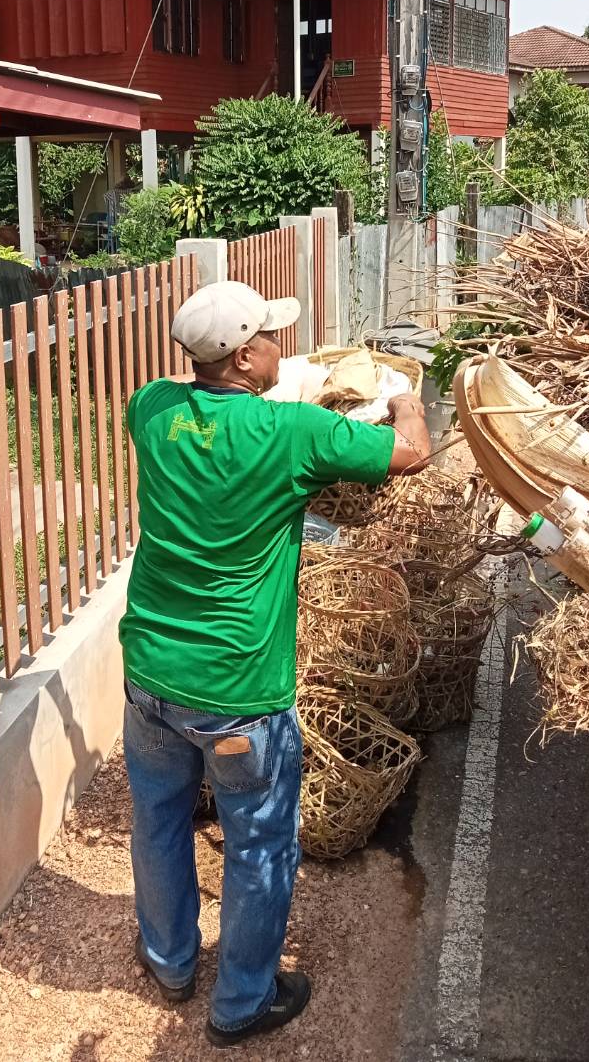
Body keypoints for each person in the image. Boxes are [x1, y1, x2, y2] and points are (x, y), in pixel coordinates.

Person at [118, 280, 430, 1048]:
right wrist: (402, 395)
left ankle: (170, 961)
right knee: (258, 843)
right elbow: (413, 454)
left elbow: (207, 409)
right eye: (269, 337)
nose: (279, 348)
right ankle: (242, 1002)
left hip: (151, 672)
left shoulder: (150, 408)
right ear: (244, 356)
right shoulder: (292, 433)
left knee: (158, 819)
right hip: (238, 691)